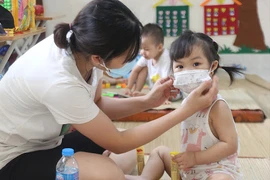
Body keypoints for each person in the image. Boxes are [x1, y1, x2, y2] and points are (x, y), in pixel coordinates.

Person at [0, 1, 218, 179]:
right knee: (110, 171)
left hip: (48, 141)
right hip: (14, 157)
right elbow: (117, 143)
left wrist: (148, 101)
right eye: (128, 56)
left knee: (129, 153)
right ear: (99, 57)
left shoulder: (83, 47)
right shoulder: (59, 80)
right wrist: (183, 111)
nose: (132, 59)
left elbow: (97, 106)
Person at [125, 30, 243, 180]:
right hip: (188, 170)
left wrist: (195, 158)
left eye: (196, 64)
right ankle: (144, 178)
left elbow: (230, 145)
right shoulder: (187, 101)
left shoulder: (218, 106)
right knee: (160, 152)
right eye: (180, 66)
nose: (187, 71)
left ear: (212, 67)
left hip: (215, 169)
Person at [125, 23, 172, 97]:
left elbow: (166, 82)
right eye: (141, 49)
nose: (142, 52)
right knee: (143, 68)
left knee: (165, 86)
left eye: (146, 49)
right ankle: (136, 91)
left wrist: (163, 97)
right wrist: (128, 87)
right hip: (155, 90)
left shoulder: (166, 57)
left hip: (168, 92)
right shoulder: (147, 56)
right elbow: (135, 70)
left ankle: (147, 95)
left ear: (159, 47)